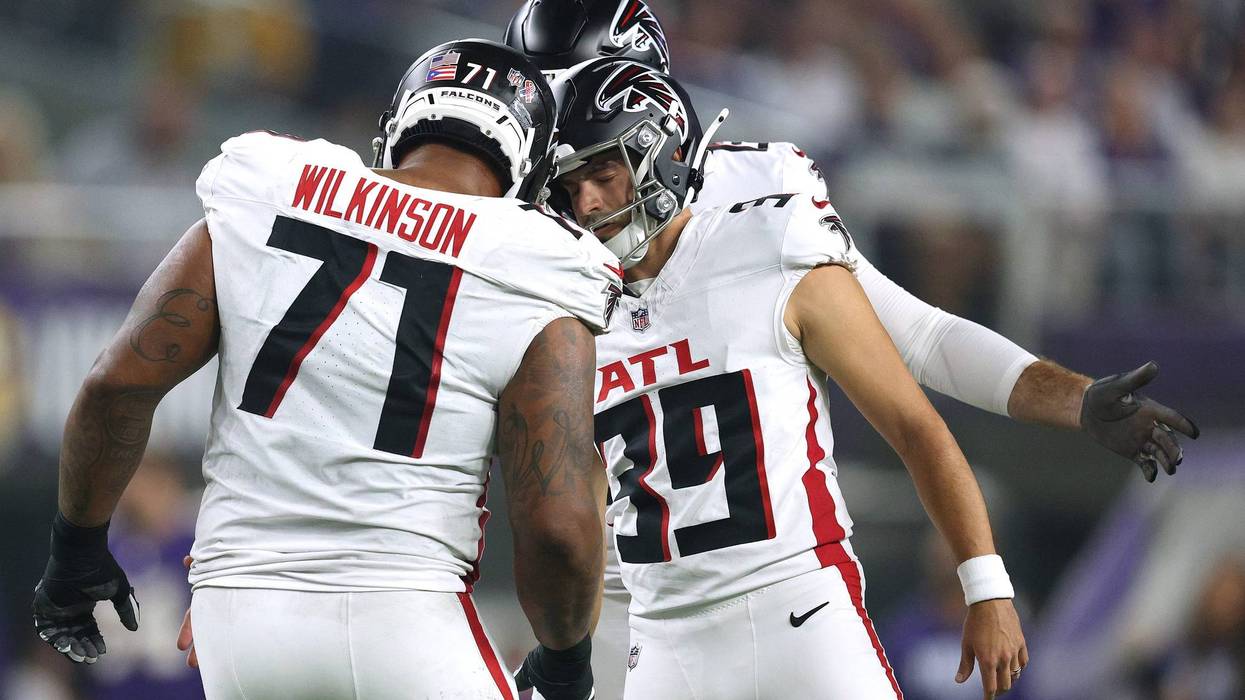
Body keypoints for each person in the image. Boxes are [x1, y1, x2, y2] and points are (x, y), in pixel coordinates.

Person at [504, 2, 1199, 695]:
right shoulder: (540, 254)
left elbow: (917, 335)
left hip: (793, 599)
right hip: (650, 613)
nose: (556, 118)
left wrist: (1071, 400)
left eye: (573, 85)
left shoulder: (762, 209)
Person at [31, 38, 618, 700]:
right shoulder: (540, 261)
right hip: (404, 617)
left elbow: (117, 385)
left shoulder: (272, 185)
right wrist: (566, 658)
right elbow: (560, 529)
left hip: (234, 619)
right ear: (532, 160)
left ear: (402, 120)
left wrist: (73, 550)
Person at [538, 56, 1024, 700]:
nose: (587, 202)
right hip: (662, 640)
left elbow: (915, 427)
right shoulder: (568, 309)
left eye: (602, 175)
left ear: (663, 156)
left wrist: (986, 586)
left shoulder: (772, 244)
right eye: (571, 189)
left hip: (798, 609)